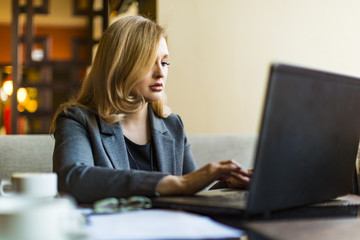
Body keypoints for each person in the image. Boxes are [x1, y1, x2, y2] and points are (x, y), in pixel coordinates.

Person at [50, 16, 251, 204]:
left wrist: (228, 183)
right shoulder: (77, 120)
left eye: (164, 62)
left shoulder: (173, 125)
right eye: (148, 63)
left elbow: (190, 192)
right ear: (119, 66)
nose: (161, 72)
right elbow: (71, 178)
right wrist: (174, 183)